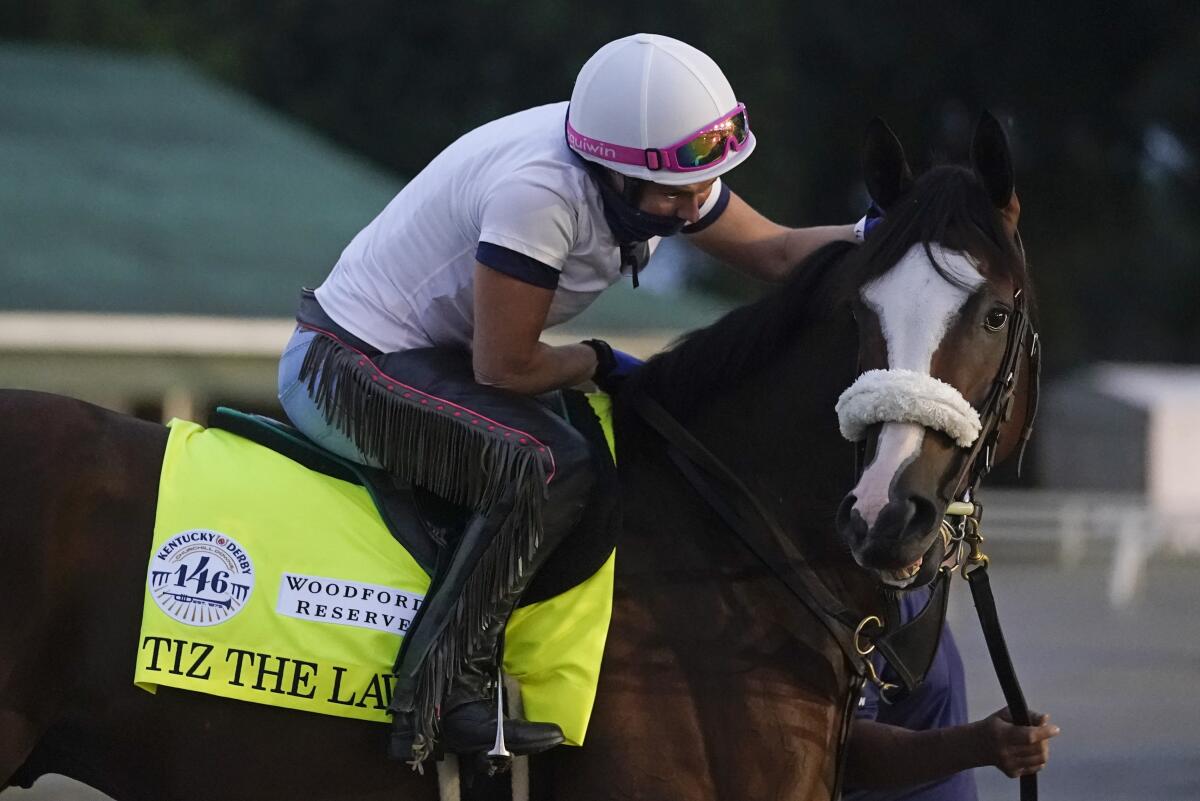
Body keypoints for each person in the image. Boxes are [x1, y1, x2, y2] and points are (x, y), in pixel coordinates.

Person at [276, 32, 859, 764]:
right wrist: (599, 358)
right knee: (553, 464)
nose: (692, 209)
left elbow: (776, 252)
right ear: (614, 172)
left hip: (430, 362)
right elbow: (506, 367)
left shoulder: (650, 158)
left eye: (700, 188)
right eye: (675, 194)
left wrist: (887, 236)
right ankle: (438, 692)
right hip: (342, 369)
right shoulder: (541, 193)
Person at [843, 587, 1060, 800]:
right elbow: (845, 748)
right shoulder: (877, 599)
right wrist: (977, 744)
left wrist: (994, 740)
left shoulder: (922, 587)